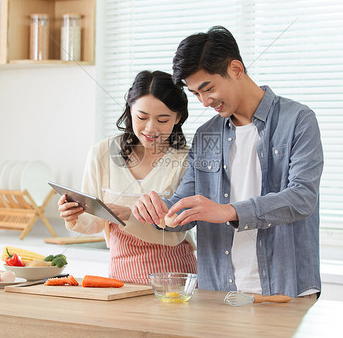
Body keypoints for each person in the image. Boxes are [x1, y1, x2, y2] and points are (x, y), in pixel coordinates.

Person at [131, 26, 324, 298]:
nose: (205, 101)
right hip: (219, 294)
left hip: (285, 291)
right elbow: (185, 203)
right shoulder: (206, 134)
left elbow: (302, 197)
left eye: (207, 88)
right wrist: (158, 211)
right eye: (196, 93)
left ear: (235, 69)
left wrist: (229, 211)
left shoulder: (297, 121)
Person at [58, 70, 197, 284]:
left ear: (178, 118)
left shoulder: (186, 160)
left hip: (173, 276)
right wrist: (73, 216)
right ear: (130, 110)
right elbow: (94, 223)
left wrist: (127, 216)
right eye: (142, 117)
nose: (151, 128)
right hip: (119, 276)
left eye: (163, 119)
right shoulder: (102, 152)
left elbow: (175, 234)